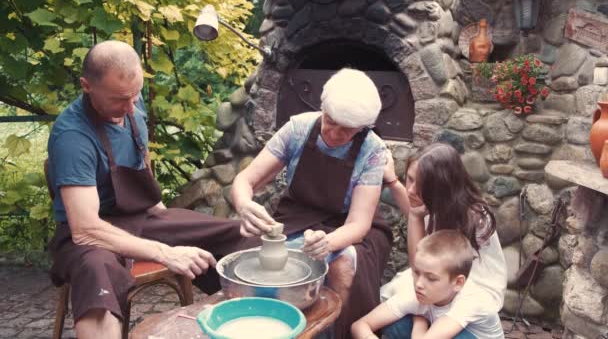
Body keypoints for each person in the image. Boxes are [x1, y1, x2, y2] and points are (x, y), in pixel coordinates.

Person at [46, 41, 255, 338]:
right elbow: (85, 229)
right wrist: (165, 251)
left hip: (142, 218)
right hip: (91, 235)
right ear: (86, 86)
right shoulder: (72, 136)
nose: (131, 107)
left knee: (239, 235)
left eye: (136, 94)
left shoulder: (131, 100)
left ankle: (245, 324)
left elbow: (139, 156)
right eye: (120, 99)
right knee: (96, 276)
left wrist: (160, 213)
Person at [231, 68, 393, 338]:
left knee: (342, 263)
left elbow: (359, 223)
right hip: (297, 214)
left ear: (363, 127)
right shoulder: (298, 128)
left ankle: (329, 332)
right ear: (322, 107)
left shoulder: (373, 151)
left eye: (347, 130)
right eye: (330, 120)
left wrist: (328, 243)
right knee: (251, 256)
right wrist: (244, 204)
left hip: (349, 227)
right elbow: (245, 180)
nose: (334, 133)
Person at [378, 142, 507, 337]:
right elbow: (420, 267)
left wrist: (419, 321)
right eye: (410, 179)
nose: (411, 190)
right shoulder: (431, 201)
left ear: (440, 186)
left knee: (408, 300)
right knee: (392, 305)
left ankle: (422, 319)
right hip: (433, 275)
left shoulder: (474, 218)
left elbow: (421, 263)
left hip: (468, 282)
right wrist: (394, 182)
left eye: (420, 186)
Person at [351, 230, 504, 339]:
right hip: (434, 332)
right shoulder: (416, 293)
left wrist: (420, 322)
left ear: (458, 283)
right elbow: (359, 325)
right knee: (396, 325)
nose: (419, 284)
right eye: (416, 272)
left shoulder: (472, 300)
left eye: (431, 278)